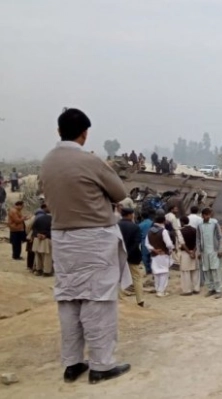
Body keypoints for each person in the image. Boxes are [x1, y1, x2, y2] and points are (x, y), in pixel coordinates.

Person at [40, 108, 131, 384]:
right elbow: (120, 193)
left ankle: (72, 363)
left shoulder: (46, 162)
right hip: (94, 238)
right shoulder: (90, 162)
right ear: (84, 134)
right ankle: (101, 365)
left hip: (63, 239)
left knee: (69, 300)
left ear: (58, 132)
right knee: (98, 301)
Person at [118, 208, 147, 307]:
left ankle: (121, 299)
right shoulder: (135, 227)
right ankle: (140, 300)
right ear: (130, 215)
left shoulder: (116, 226)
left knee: (118, 277)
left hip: (118, 255)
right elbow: (137, 242)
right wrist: (128, 253)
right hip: (133, 256)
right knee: (136, 278)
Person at [196, 208, 222, 299]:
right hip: (204, 252)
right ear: (202, 215)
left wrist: (220, 249)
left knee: (215, 270)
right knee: (207, 271)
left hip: (214, 251)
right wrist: (199, 251)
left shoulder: (215, 223)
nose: (207, 216)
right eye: (205, 215)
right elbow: (198, 239)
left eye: (208, 215)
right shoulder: (200, 225)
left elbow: (220, 237)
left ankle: (218, 290)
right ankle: (211, 289)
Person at [144, 214, 174, 298]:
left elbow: (146, 244)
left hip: (154, 255)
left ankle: (157, 289)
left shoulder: (149, 231)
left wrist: (154, 250)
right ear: (164, 221)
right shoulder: (163, 231)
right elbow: (168, 244)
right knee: (164, 272)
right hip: (163, 254)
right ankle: (161, 291)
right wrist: (171, 249)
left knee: (156, 272)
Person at [178, 216, 200, 295]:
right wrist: (193, 251)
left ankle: (187, 290)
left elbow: (182, 243)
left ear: (182, 222)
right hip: (195, 253)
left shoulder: (180, 231)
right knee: (195, 271)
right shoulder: (195, 230)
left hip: (185, 254)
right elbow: (198, 242)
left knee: (185, 272)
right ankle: (196, 288)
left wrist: (189, 252)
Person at [32, 204, 53, 277]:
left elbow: (33, 228)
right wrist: (45, 235)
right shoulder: (52, 219)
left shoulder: (38, 218)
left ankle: (38, 270)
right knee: (47, 257)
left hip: (37, 239)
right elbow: (53, 230)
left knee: (38, 256)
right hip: (46, 239)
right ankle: (46, 272)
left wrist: (37, 234)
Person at [138, 211, 154, 276]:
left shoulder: (140, 225)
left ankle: (148, 270)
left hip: (144, 241)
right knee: (153, 256)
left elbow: (138, 235)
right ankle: (154, 269)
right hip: (153, 240)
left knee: (145, 257)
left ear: (142, 217)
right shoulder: (153, 223)